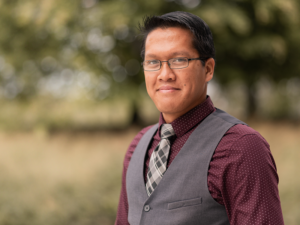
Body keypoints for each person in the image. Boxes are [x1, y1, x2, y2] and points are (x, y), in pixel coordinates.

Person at [115, 11, 284, 225]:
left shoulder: (242, 147)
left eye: (178, 60)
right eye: (153, 62)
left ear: (208, 69)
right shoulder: (137, 146)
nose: (164, 74)